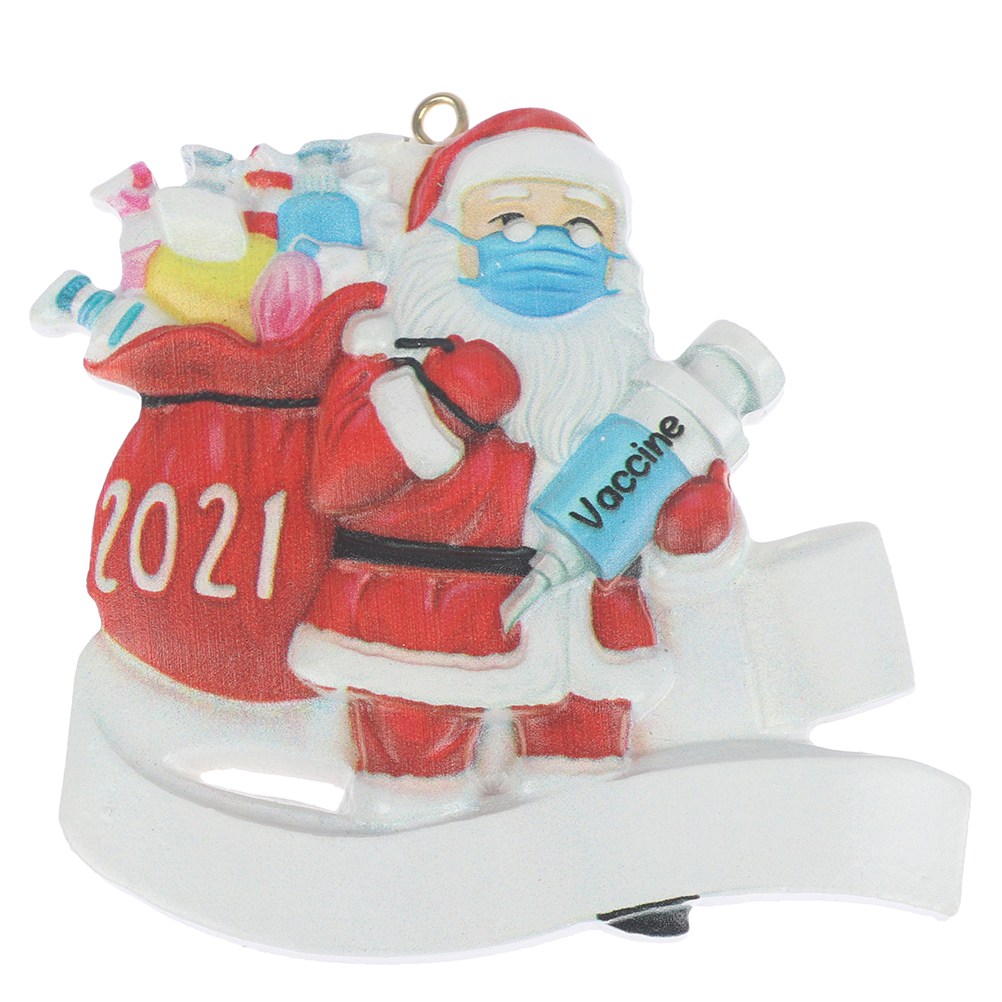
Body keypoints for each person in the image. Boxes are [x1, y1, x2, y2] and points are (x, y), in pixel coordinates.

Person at [290, 109, 735, 816]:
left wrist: (691, 529)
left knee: (584, 776)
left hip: (589, 636)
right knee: (413, 773)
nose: (550, 244)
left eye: (584, 225)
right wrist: (441, 406)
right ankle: (405, 839)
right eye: (508, 219)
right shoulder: (388, 356)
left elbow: (667, 512)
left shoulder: (625, 380)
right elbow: (339, 482)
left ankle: (590, 850)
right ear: (446, 241)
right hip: (423, 628)